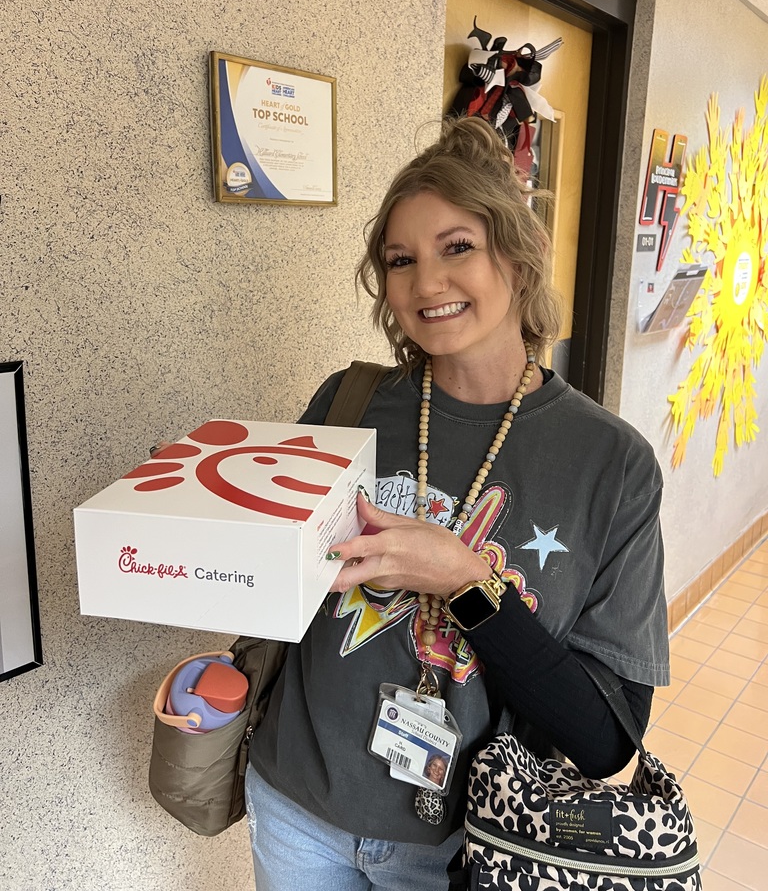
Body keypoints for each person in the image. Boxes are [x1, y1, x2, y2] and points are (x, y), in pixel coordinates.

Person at [245, 116, 670, 891]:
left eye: (457, 248)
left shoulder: (613, 466)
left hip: (469, 848)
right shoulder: (348, 403)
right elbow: (278, 585)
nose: (425, 283)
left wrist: (467, 583)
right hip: (296, 806)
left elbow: (606, 741)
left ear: (522, 253)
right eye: (400, 260)